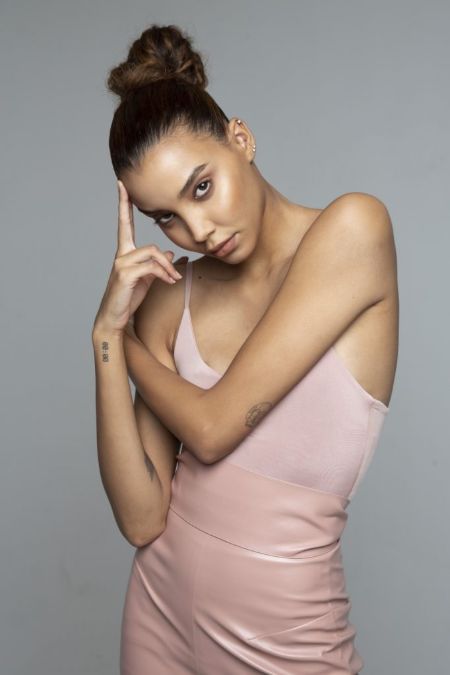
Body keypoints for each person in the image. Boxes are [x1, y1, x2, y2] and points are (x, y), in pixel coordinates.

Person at [92, 23, 398, 675]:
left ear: (241, 138)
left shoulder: (353, 231)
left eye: (201, 187)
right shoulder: (170, 298)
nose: (197, 229)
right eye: (166, 217)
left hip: (291, 640)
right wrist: (105, 345)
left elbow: (211, 429)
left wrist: (115, 337)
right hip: (157, 623)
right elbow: (142, 519)